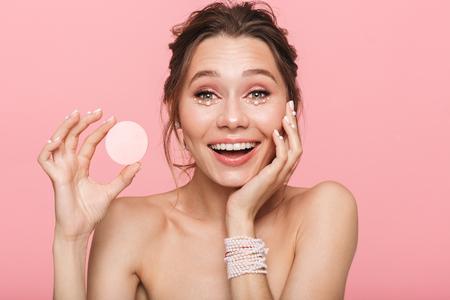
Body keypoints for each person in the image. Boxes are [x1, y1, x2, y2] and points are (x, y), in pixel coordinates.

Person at [38, 1, 358, 299]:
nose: (232, 119)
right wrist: (71, 241)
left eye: (258, 93)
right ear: (175, 110)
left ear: (290, 107)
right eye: (206, 94)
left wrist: (240, 218)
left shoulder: (324, 209)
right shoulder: (128, 223)